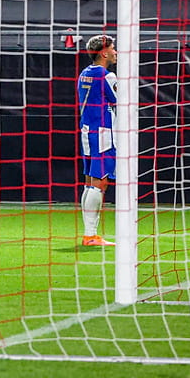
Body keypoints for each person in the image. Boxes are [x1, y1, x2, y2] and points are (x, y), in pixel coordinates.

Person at [77, 35, 118, 248]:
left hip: (87, 130)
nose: (115, 52)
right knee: (100, 182)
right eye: (113, 48)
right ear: (104, 53)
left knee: (89, 182)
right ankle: (91, 236)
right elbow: (121, 100)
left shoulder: (85, 73)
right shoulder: (106, 75)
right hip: (102, 132)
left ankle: (89, 233)